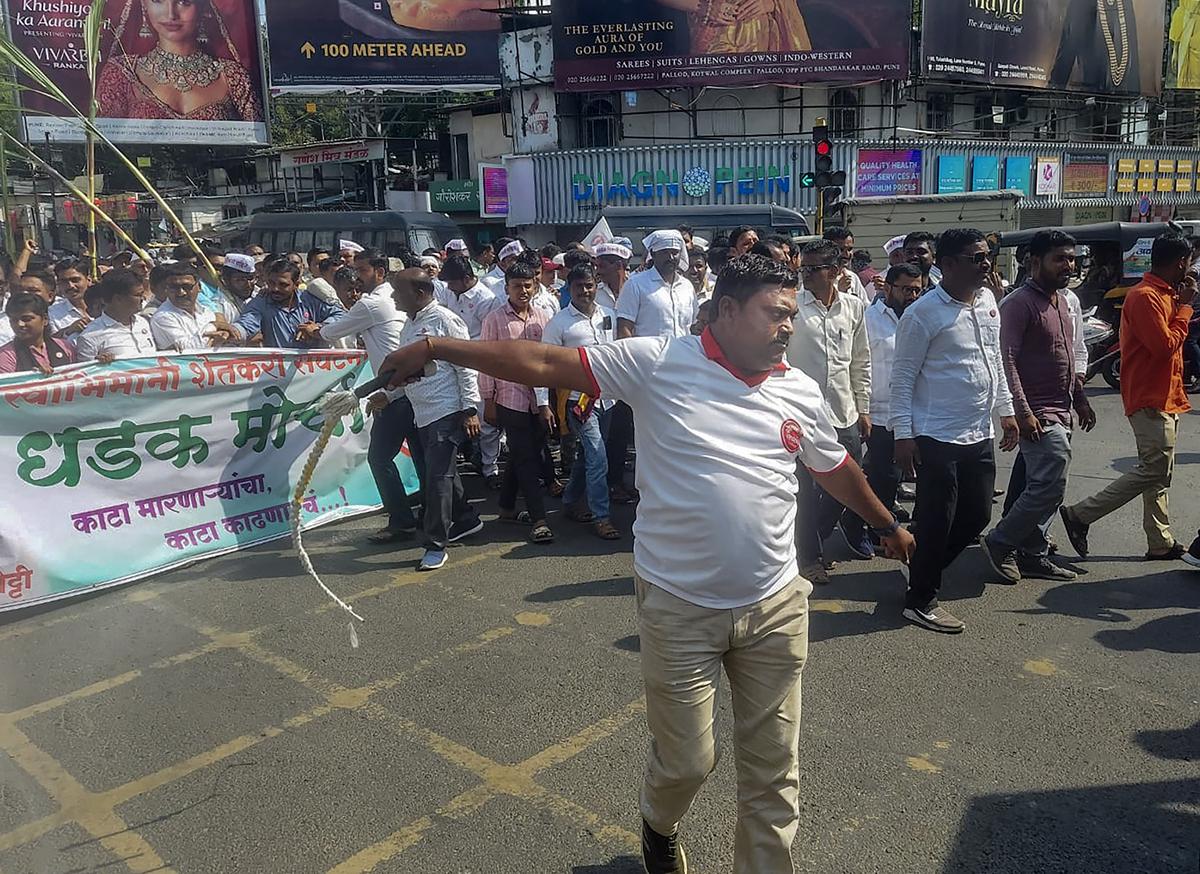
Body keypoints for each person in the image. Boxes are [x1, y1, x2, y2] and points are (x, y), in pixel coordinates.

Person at [377, 253, 913, 874]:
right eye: (775, 313)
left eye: (791, 315)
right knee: (688, 760)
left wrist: (886, 524)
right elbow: (547, 363)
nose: (787, 326)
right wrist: (439, 347)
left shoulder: (799, 389)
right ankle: (659, 826)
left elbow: (833, 465)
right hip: (677, 607)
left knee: (774, 772)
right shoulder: (658, 361)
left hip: (775, 607)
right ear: (730, 310)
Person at [890, 228, 1018, 634]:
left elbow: (994, 360)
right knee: (936, 519)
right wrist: (903, 435)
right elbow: (903, 377)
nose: (985, 264)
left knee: (977, 514)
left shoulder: (987, 303)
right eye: (975, 258)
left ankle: (922, 562)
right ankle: (921, 599)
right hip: (934, 433)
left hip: (977, 430)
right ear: (946, 265)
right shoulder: (923, 313)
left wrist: (1006, 410)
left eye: (986, 257)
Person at [1060, 234, 1196, 561]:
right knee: (1155, 470)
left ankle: (1159, 540)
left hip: (1166, 395)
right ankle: (1081, 514)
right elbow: (1163, 347)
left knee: (1160, 473)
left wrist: (1181, 302)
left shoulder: (1165, 295)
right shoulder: (1146, 296)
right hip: (1150, 397)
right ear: (1180, 263)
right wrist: (1187, 308)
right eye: (1189, 262)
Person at [981, 231, 1093, 585]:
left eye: (1072, 259)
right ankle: (1001, 542)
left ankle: (1032, 551)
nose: (1068, 265)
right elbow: (1007, 360)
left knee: (1044, 480)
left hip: (1061, 407)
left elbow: (1065, 354)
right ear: (1034, 262)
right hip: (1038, 411)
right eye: (1060, 258)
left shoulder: (1061, 301)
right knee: (1050, 485)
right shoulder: (1019, 304)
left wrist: (1080, 399)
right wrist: (1022, 412)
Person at [788, 240, 873, 581]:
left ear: (836, 272)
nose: (805, 275)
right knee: (805, 491)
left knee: (848, 483)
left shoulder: (853, 307)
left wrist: (863, 407)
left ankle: (813, 541)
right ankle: (808, 558)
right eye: (802, 269)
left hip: (843, 411)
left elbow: (860, 361)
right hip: (799, 414)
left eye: (813, 269)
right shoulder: (792, 306)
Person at [389, 269, 484, 570]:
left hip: (446, 411)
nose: (393, 297)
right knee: (443, 474)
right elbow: (408, 369)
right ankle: (467, 520)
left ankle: (435, 545)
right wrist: (389, 394)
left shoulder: (444, 320)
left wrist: (469, 409)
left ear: (419, 293)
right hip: (422, 412)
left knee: (437, 479)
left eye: (398, 292)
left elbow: (466, 365)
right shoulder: (410, 324)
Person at [479, 259, 555, 544]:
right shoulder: (495, 319)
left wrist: (547, 401)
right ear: (506, 288)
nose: (522, 291)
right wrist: (488, 400)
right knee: (526, 458)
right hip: (509, 398)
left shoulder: (543, 318)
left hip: (539, 399)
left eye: (527, 285)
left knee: (524, 452)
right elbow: (486, 362)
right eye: (516, 286)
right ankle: (539, 519)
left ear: (535, 286)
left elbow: (547, 361)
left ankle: (507, 507)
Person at [543, 262, 621, 540]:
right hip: (578, 403)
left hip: (608, 399)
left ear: (596, 285)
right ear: (569, 288)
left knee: (587, 457)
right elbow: (545, 364)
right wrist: (544, 404)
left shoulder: (608, 315)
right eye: (579, 287)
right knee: (598, 457)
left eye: (589, 285)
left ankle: (569, 502)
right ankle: (602, 516)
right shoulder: (559, 323)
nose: (585, 291)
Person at [96, 0, 263, 123]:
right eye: (158, 0)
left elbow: (256, 150)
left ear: (203, 7)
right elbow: (104, 150)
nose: (171, 14)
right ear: (144, 4)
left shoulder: (233, 77)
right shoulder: (121, 73)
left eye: (184, 2)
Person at [863, 264, 922, 539]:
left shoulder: (921, 319)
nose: (911, 295)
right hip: (879, 411)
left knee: (902, 474)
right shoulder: (868, 320)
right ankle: (876, 529)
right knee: (884, 475)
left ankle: (887, 523)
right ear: (887, 287)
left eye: (916, 290)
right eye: (905, 289)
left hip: (915, 412)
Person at [441, 254, 502, 487]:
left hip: (478, 362)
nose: (448, 287)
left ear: (466, 278)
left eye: (452, 282)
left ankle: (491, 468)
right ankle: (469, 458)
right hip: (453, 359)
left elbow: (489, 337)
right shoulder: (450, 293)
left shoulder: (486, 299)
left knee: (484, 419)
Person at [215, 260, 345, 349]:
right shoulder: (261, 302)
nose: (275, 289)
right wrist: (233, 332)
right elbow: (247, 323)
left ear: (296, 284)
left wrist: (318, 329)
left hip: (315, 374)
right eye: (271, 283)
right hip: (279, 375)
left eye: (283, 285)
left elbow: (341, 315)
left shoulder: (310, 300)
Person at [617, 231, 697, 339]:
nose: (671, 258)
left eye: (675, 253)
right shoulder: (635, 284)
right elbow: (624, 329)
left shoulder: (687, 286)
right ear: (653, 254)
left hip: (684, 353)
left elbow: (694, 325)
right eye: (665, 252)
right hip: (648, 354)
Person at [75, 269, 158, 362]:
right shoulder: (89, 337)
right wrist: (101, 365)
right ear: (118, 299)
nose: (143, 299)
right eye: (138, 295)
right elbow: (87, 373)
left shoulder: (143, 323)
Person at [149, 262, 222, 351]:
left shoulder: (206, 312)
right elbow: (188, 350)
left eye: (187, 286)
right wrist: (214, 325)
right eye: (174, 287)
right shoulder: (162, 317)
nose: (181, 293)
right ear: (167, 289)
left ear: (199, 287)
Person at [0, 292, 75, 374]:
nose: (20, 324)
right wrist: (33, 377)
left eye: (26, 319)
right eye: (14, 320)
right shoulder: (6, 355)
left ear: (45, 319)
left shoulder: (65, 347)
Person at [822, 226, 873, 306]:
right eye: (841, 250)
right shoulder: (818, 278)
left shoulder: (852, 277)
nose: (847, 254)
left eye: (850, 249)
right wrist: (839, 293)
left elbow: (865, 306)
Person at [49, 259, 92, 342]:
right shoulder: (53, 313)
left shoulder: (106, 307)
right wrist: (68, 331)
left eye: (75, 280)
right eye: (64, 282)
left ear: (88, 280)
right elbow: (47, 343)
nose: (70, 286)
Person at [594, 241, 631, 310]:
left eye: (603, 266)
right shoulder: (595, 294)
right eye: (597, 266)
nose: (598, 271)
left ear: (618, 265)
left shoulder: (636, 289)